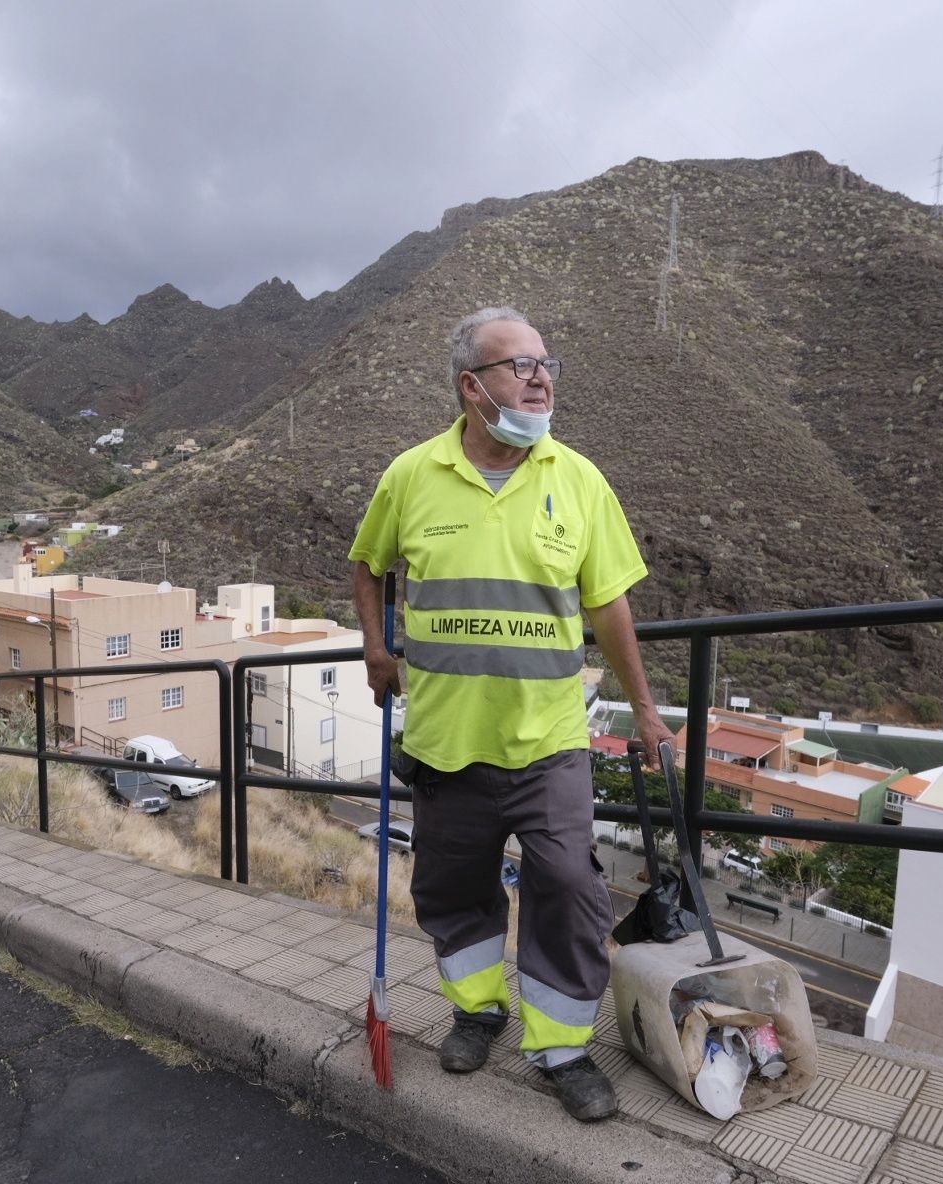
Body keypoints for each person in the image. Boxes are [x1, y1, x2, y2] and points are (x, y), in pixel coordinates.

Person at [348, 307, 673, 1121]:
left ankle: (561, 1049)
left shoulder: (580, 479)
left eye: (546, 363)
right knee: (453, 891)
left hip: (550, 742)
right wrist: (375, 649)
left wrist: (645, 709)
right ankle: (477, 1010)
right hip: (445, 742)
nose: (542, 377)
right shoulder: (411, 475)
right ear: (472, 386)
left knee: (568, 884)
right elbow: (368, 566)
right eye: (521, 365)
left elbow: (609, 604)